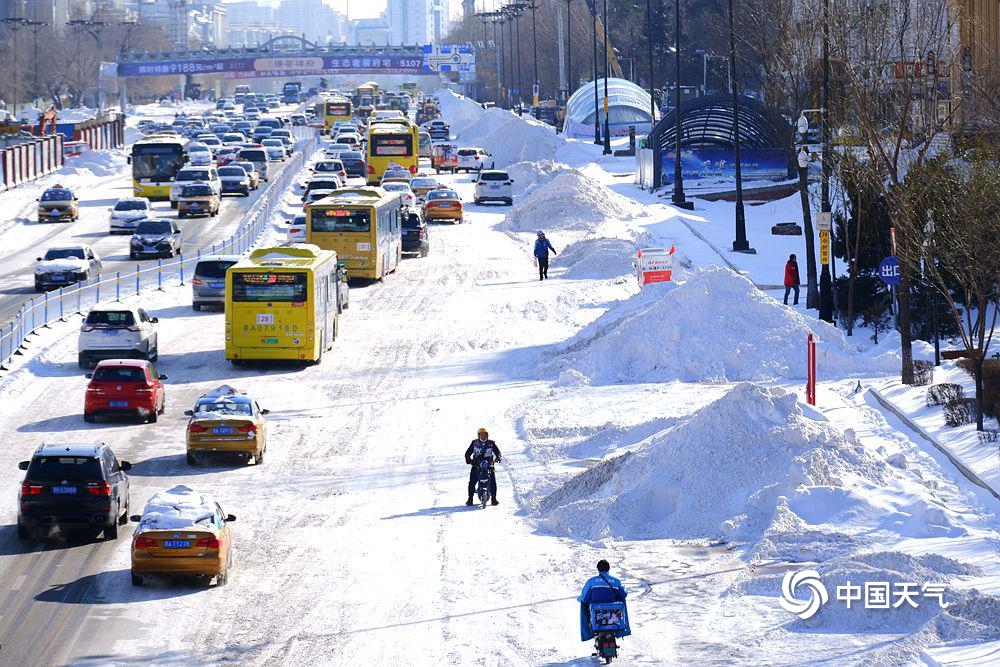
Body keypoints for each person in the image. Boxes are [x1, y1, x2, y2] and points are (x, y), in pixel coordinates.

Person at [578, 559, 630, 642]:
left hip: (597, 612)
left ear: (598, 569)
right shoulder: (616, 581)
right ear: (608, 569)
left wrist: (580, 599)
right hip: (613, 613)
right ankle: (623, 630)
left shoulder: (592, 582)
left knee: (583, 605)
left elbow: (584, 598)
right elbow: (624, 594)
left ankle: (587, 633)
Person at [464, 427, 502, 506]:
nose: (483, 436)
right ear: (478, 435)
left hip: (489, 464)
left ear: (487, 435)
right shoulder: (474, 443)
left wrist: (498, 457)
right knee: (472, 481)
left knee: (493, 481)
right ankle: (470, 498)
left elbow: (497, 452)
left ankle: (493, 498)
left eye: (485, 435)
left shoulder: (491, 443)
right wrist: (468, 459)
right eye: (481, 435)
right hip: (476, 464)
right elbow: (468, 452)